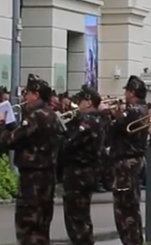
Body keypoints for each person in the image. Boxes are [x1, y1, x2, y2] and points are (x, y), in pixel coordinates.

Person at [0, 74, 64, 245]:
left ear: (36, 95)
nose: (25, 97)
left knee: (28, 227)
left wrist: (0, 125)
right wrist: (12, 126)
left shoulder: (36, 116)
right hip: (48, 177)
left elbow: (10, 141)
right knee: (42, 228)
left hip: (32, 179)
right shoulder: (52, 115)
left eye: (27, 93)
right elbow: (27, 138)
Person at [108, 76, 150, 245]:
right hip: (133, 161)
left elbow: (113, 130)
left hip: (126, 163)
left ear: (132, 93)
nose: (124, 94)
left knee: (125, 211)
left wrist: (114, 116)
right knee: (131, 207)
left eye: (126, 91)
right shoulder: (142, 109)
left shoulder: (133, 110)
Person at [62, 86, 103, 245]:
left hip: (79, 173)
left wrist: (62, 129)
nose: (78, 104)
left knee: (76, 217)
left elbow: (70, 143)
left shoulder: (89, 121)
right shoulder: (98, 118)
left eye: (81, 101)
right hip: (88, 172)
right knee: (82, 215)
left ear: (88, 103)